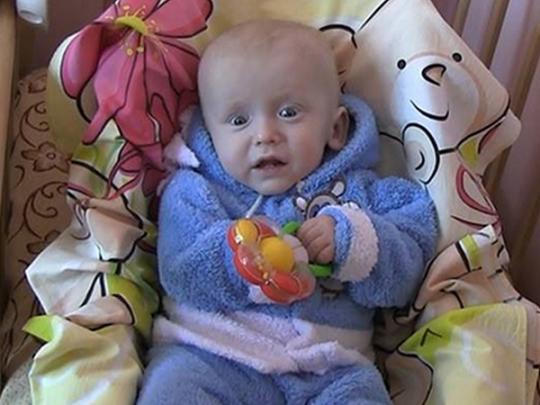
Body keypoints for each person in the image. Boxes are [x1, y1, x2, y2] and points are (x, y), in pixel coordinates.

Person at [137, 19, 438, 405]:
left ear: (335, 129)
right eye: (239, 120)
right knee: (172, 391)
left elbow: (410, 265)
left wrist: (353, 241)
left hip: (331, 368)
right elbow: (181, 273)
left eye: (289, 112)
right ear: (210, 132)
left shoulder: (364, 193)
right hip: (211, 354)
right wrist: (243, 259)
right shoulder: (195, 189)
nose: (265, 134)